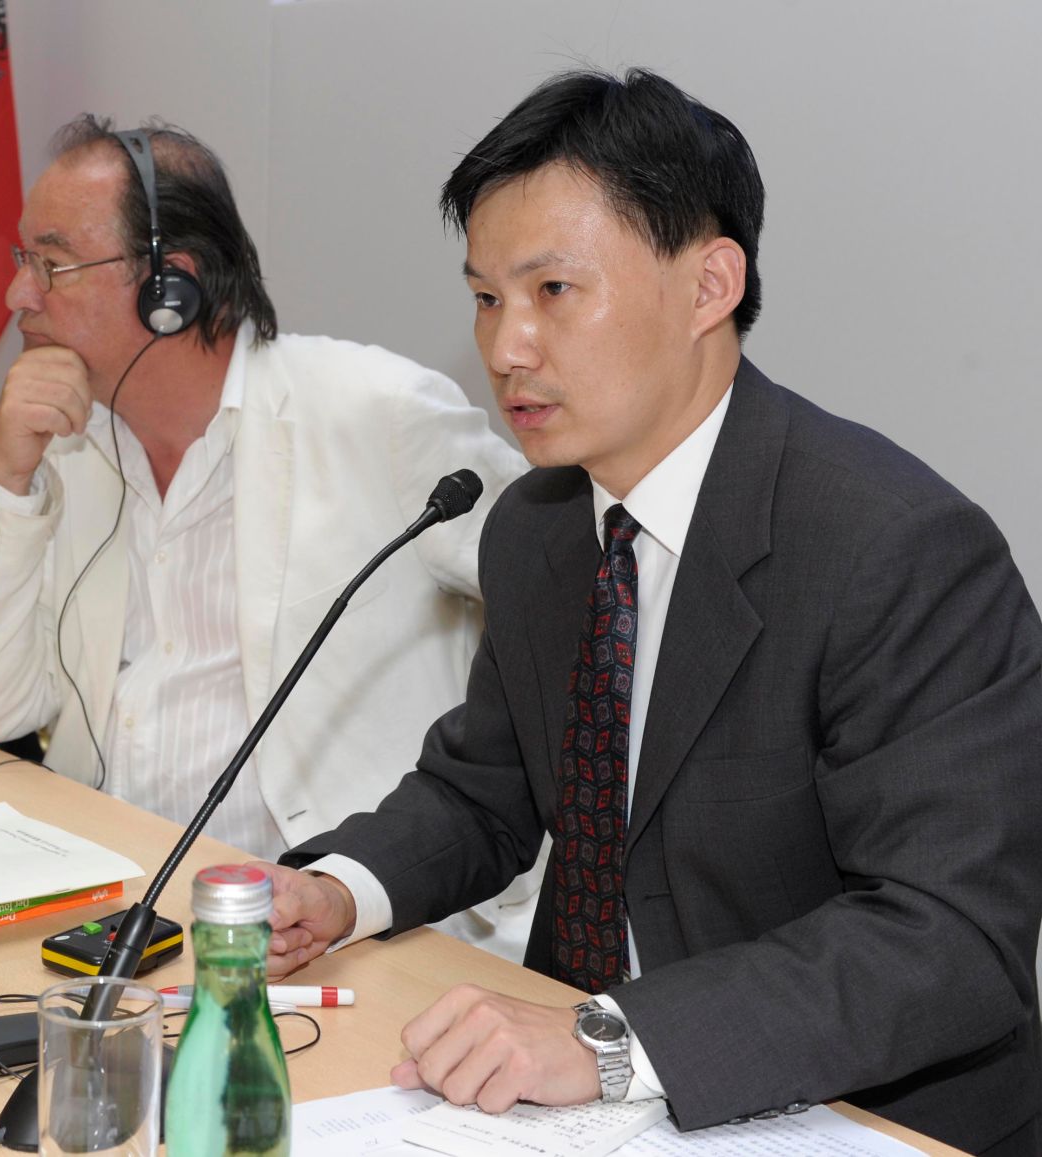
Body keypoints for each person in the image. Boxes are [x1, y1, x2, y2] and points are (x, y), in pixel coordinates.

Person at [255, 69, 1042, 1154]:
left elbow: (948, 937)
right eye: (485, 296)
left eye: (552, 292)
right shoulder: (536, 528)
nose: (504, 347)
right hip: (570, 1106)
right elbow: (486, 791)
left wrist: (611, 1039)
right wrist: (334, 892)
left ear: (708, 283)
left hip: (846, 1109)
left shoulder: (893, 547)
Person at [0, 116, 537, 957]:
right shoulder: (69, 447)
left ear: (170, 288)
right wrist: (4, 476)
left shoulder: (376, 413)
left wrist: (522, 906)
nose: (18, 296)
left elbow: (578, 614)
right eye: (23, 262)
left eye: (51, 263)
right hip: (115, 909)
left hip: (336, 930)